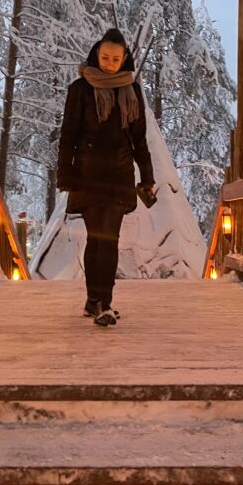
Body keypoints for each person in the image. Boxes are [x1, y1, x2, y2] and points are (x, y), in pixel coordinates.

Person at [57, 29, 155, 327]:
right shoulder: (80, 89)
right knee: (96, 238)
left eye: (115, 58)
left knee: (108, 239)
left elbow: (139, 139)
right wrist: (65, 174)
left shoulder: (132, 91)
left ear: (125, 57)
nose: (110, 63)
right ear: (96, 54)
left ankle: (102, 301)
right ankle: (95, 298)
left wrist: (147, 178)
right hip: (88, 175)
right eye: (104, 57)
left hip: (119, 174)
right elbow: (68, 136)